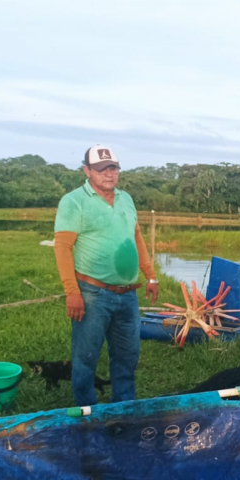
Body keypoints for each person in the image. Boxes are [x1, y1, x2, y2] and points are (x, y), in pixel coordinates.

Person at [53, 145, 158, 407]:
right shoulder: (73, 201)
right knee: (86, 358)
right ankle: (86, 413)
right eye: (101, 169)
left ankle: (123, 409)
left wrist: (151, 275)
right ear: (87, 171)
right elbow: (63, 248)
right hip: (92, 294)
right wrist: (72, 292)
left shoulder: (126, 198)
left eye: (113, 168)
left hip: (128, 294)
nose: (109, 174)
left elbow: (137, 239)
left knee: (127, 357)